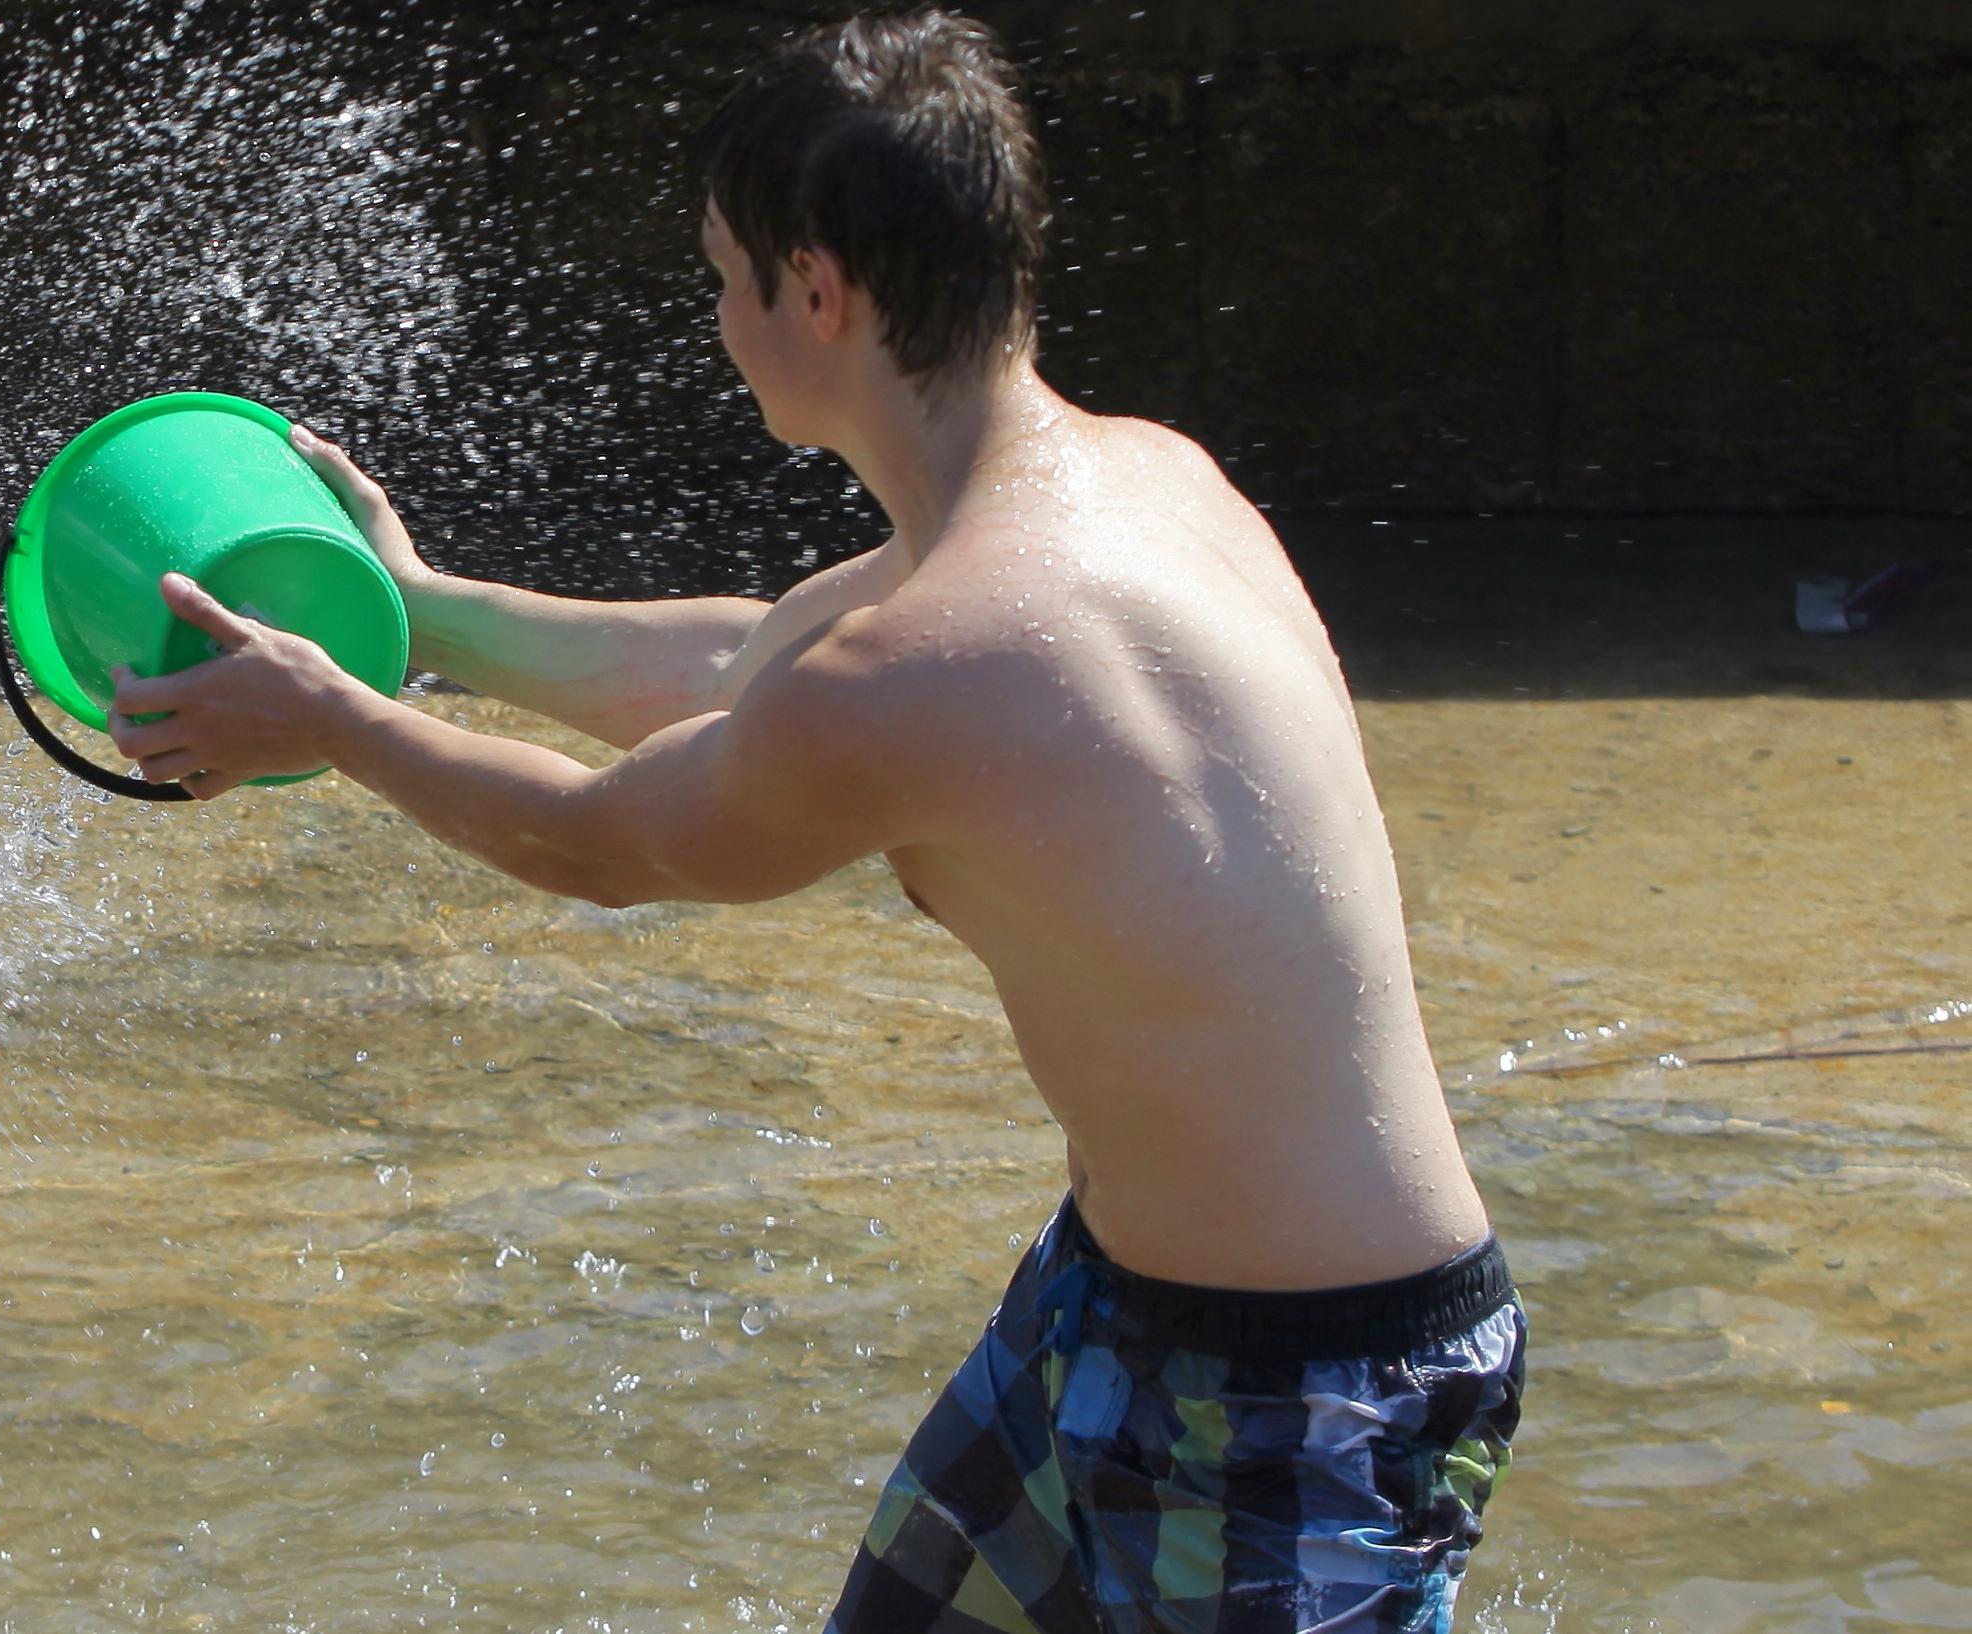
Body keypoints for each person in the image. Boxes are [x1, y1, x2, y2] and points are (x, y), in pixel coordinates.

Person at [97, 14, 1524, 1632]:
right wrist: (420, 615)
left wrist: (334, 721)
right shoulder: (1127, 485)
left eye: (724, 276)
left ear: (817, 292)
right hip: (1114, 1302)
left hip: (1306, 1391)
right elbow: (742, 661)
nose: (717, 317)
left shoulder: (947, 651)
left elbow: (595, 840)